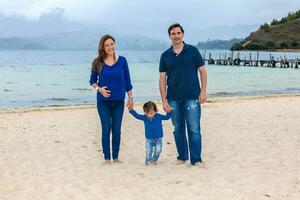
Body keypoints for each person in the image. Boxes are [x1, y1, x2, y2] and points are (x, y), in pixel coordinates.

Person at [159, 23, 207, 167]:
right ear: (169, 36)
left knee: (194, 129)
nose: (176, 36)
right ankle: (182, 156)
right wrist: (164, 100)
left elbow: (203, 72)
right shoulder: (165, 55)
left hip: (192, 96)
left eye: (178, 33)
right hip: (173, 98)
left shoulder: (193, 51)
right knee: (178, 128)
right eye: (173, 34)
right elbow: (162, 79)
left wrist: (203, 91)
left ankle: (196, 160)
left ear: (183, 34)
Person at [89, 34, 134, 165]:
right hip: (103, 102)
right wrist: (99, 89)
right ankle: (107, 158)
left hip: (119, 101)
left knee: (117, 129)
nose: (110, 47)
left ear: (115, 44)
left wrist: (130, 97)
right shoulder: (97, 62)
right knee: (106, 128)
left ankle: (115, 157)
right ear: (103, 47)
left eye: (111, 44)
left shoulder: (122, 61)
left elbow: (127, 81)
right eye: (107, 45)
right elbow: (92, 81)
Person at [128, 101, 171, 165]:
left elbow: (167, 117)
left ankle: (154, 160)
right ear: (145, 112)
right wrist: (131, 110)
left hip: (158, 138)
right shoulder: (144, 117)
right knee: (148, 152)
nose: (149, 115)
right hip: (149, 139)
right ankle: (148, 161)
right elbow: (137, 115)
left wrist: (168, 112)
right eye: (147, 113)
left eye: (151, 113)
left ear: (155, 111)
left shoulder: (158, 116)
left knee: (158, 151)